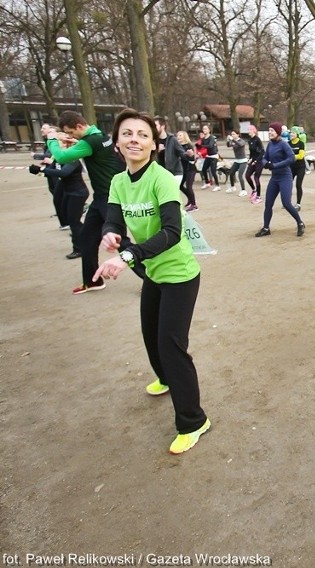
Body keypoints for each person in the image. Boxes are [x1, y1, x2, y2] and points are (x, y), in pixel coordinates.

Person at [93, 108, 209, 455]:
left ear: (154, 144)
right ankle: (165, 379)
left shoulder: (161, 179)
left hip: (179, 273)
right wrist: (111, 235)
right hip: (153, 271)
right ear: (116, 142)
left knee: (172, 346)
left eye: (142, 134)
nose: (134, 139)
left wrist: (127, 256)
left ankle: (194, 420)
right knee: (150, 336)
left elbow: (172, 233)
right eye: (127, 133)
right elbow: (112, 220)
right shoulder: (117, 182)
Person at [45, 110, 125, 294]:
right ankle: (92, 281)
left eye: (72, 133)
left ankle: (153, 280)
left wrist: (51, 140)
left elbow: (62, 157)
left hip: (109, 198)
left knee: (122, 241)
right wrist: (75, 142)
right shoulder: (98, 136)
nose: (71, 136)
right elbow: (92, 149)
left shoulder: (91, 141)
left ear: (80, 126)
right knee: (87, 239)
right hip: (100, 198)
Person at [31, 131, 88, 259]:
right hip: (68, 192)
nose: (57, 146)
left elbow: (63, 173)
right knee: (70, 220)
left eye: (60, 142)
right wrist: (37, 172)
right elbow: (51, 172)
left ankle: (79, 249)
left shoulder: (73, 158)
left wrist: (42, 170)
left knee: (74, 221)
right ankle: (86, 235)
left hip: (78, 193)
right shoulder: (57, 158)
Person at [255, 123, 305, 238]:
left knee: (286, 203)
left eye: (272, 130)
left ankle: (300, 223)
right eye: (269, 130)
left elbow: (292, 158)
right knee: (268, 204)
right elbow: (264, 158)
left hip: (285, 177)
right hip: (274, 178)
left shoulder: (283, 144)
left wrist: (275, 165)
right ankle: (266, 228)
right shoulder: (270, 145)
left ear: (278, 132)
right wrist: (266, 164)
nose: (270, 132)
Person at [175, 130, 198, 211]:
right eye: (177, 135)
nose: (178, 137)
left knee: (189, 186)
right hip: (182, 169)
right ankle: (190, 199)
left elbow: (192, 159)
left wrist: (190, 155)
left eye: (180, 135)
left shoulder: (188, 145)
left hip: (190, 169)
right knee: (180, 185)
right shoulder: (177, 146)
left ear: (184, 136)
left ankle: (194, 205)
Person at [245, 124, 265, 204]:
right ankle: (254, 190)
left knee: (256, 178)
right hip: (253, 161)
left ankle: (258, 196)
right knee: (247, 176)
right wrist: (250, 159)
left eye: (250, 129)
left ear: (254, 130)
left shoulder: (257, 140)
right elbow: (251, 153)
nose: (248, 131)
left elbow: (262, 152)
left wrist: (256, 161)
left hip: (259, 162)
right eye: (248, 130)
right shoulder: (250, 141)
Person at [196, 125, 219, 191]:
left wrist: (201, 145)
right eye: (203, 129)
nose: (204, 130)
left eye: (206, 129)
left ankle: (217, 185)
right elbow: (201, 147)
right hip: (208, 156)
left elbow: (210, 146)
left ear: (209, 130)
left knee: (213, 171)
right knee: (203, 169)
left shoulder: (211, 137)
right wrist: (198, 147)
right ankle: (207, 183)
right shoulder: (203, 139)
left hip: (214, 156)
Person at [225, 131, 248, 196]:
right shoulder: (233, 141)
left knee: (240, 175)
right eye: (231, 134)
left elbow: (240, 144)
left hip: (243, 161)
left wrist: (232, 140)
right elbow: (228, 145)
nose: (232, 135)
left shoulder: (241, 141)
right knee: (231, 173)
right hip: (237, 160)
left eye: (233, 134)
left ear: (238, 135)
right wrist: (228, 140)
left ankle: (243, 190)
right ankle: (232, 187)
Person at [289, 128, 306, 210]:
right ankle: (287, 202)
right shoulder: (288, 143)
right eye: (290, 133)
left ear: (297, 134)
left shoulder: (301, 143)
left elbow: (301, 156)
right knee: (288, 185)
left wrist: (291, 157)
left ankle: (298, 204)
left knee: (298, 185)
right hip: (291, 167)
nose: (291, 134)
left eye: (293, 133)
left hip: (300, 167)